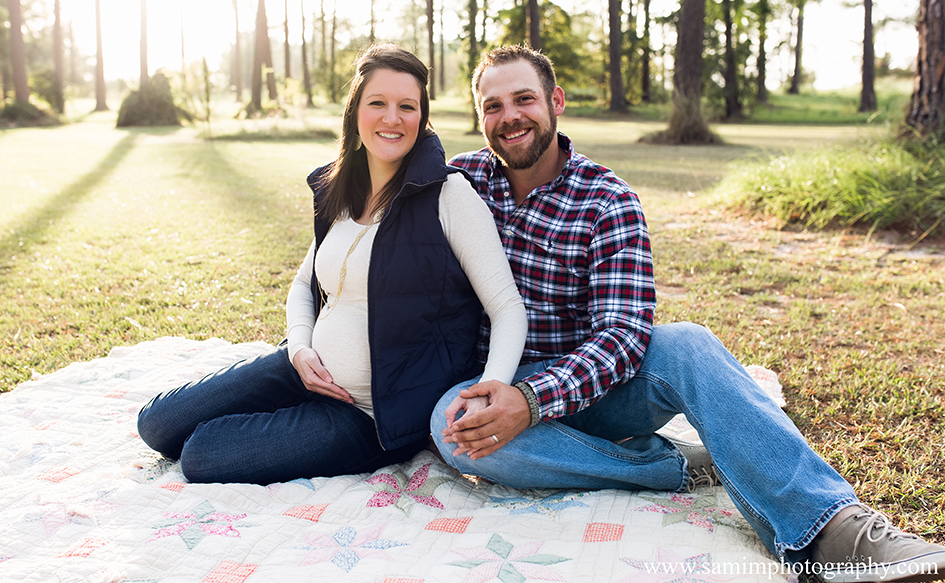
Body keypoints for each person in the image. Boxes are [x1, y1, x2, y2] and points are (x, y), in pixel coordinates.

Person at [431, 44, 945, 583]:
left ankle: (835, 530)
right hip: (496, 379)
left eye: (524, 99)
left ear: (556, 102)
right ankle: (673, 466)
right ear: (479, 116)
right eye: (493, 106)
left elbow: (624, 337)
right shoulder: (461, 185)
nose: (509, 117)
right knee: (451, 429)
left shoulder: (608, 200)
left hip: (596, 389)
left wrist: (532, 400)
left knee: (687, 344)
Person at [137, 44, 526, 485]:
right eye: (377, 103)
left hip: (369, 415)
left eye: (407, 106)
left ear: (422, 117)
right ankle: (290, 400)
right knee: (156, 424)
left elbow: (507, 308)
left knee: (201, 455)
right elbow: (304, 285)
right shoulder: (341, 190)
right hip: (301, 369)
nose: (392, 118)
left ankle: (296, 424)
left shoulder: (449, 195)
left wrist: (491, 387)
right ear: (355, 111)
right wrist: (301, 349)